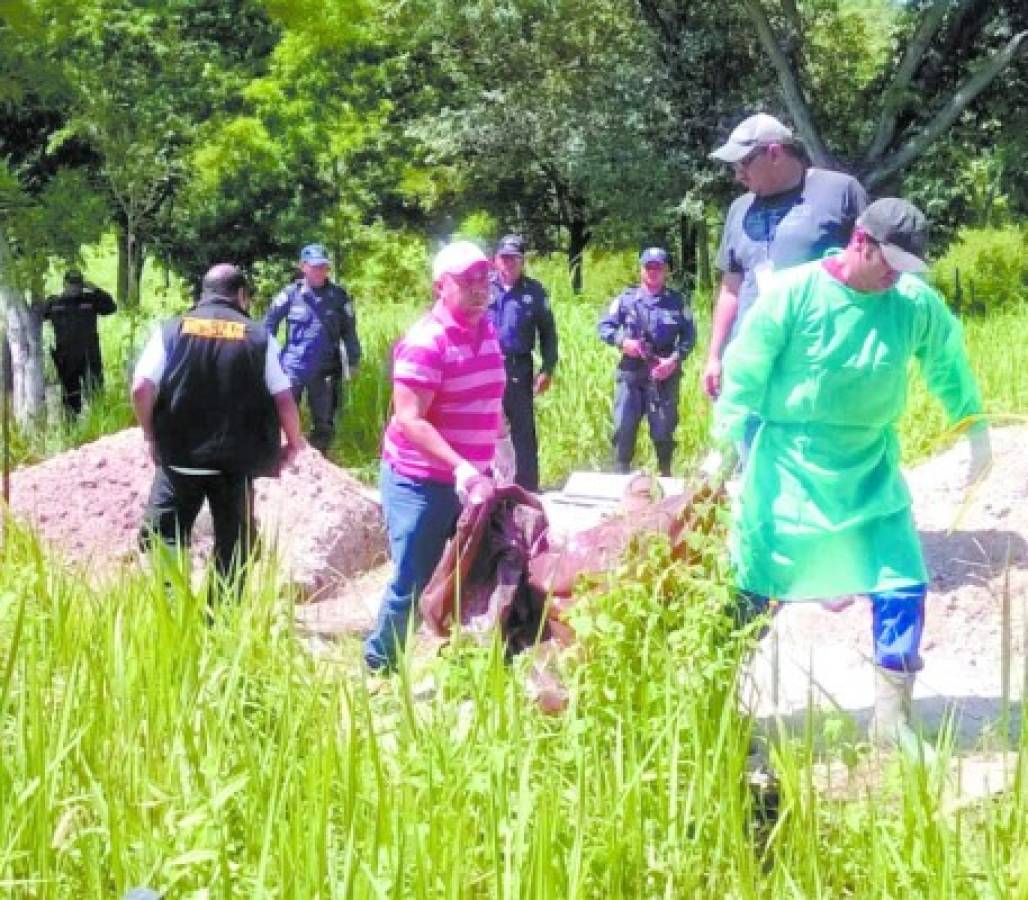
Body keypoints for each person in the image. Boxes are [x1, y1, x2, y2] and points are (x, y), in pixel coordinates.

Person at [714, 199, 992, 744]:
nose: (895, 276)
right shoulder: (793, 295)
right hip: (790, 471)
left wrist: (974, 427)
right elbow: (744, 371)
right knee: (754, 588)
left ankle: (893, 723)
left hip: (871, 469)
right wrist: (723, 444)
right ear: (859, 241)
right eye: (888, 261)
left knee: (903, 583)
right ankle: (715, 700)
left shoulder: (912, 302)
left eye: (906, 267)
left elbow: (947, 363)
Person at [365, 241, 507, 672]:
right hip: (421, 482)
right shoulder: (426, 342)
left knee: (475, 571)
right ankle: (379, 665)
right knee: (413, 576)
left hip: (473, 479)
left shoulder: (487, 331)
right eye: (467, 281)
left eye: (484, 278)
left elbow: (488, 399)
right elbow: (410, 419)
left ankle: (462, 659)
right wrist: (460, 466)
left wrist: (497, 448)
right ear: (440, 287)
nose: (479, 288)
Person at [132, 263, 306, 595]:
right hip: (234, 464)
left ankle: (170, 613)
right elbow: (284, 399)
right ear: (242, 295)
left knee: (166, 536)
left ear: (203, 293)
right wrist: (293, 444)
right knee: (233, 544)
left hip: (179, 456)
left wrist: (151, 435)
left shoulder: (170, 330)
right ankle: (220, 622)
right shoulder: (258, 336)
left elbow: (141, 388)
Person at [703, 113, 868, 403]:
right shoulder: (739, 209)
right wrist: (714, 356)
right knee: (750, 444)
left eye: (743, 163)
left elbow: (869, 268)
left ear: (775, 153)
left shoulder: (840, 191)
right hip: (753, 361)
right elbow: (731, 288)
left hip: (820, 358)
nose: (738, 175)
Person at [598, 247, 695, 477]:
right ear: (641, 269)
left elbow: (689, 337)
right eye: (648, 267)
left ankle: (665, 477)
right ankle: (620, 478)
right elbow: (604, 327)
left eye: (658, 267)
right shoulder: (626, 299)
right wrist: (623, 342)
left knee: (664, 431)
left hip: (663, 374)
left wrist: (674, 360)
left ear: (666, 271)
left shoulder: (677, 302)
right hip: (631, 372)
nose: (653, 272)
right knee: (624, 428)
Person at [264, 243, 361, 455]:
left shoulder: (339, 297)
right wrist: (265, 357)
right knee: (282, 417)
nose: (320, 271)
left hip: (326, 371)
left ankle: (318, 464)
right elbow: (268, 325)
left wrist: (353, 361)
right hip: (292, 369)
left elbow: (350, 332)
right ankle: (282, 462)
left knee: (324, 423)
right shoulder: (290, 294)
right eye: (315, 267)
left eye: (324, 267)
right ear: (303, 267)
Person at [488, 233, 558, 492]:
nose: (508, 264)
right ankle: (488, 483)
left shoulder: (534, 292)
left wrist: (548, 368)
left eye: (514, 259)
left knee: (522, 427)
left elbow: (548, 333)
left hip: (518, 366)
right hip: (485, 365)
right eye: (504, 258)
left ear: (522, 261)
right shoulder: (483, 287)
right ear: (496, 260)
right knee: (484, 422)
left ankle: (527, 487)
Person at [41, 269, 116, 415]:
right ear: (64, 284)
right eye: (72, 284)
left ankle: (99, 429)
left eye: (78, 284)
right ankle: (72, 432)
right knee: (71, 401)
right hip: (66, 359)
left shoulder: (91, 300)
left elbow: (111, 308)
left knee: (96, 397)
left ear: (82, 284)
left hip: (89, 357)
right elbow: (36, 317)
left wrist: (96, 289)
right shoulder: (54, 302)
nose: (75, 287)